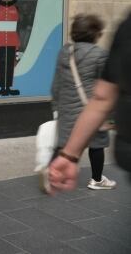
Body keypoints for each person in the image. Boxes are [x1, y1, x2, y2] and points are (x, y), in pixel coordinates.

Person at [50, 12, 131, 193]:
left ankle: (54, 172)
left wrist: (56, 106)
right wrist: (110, 118)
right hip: (91, 111)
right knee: (96, 146)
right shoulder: (100, 55)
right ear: (95, 34)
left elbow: (56, 85)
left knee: (65, 143)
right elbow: (106, 92)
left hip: (68, 108)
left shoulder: (64, 53)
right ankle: (96, 179)